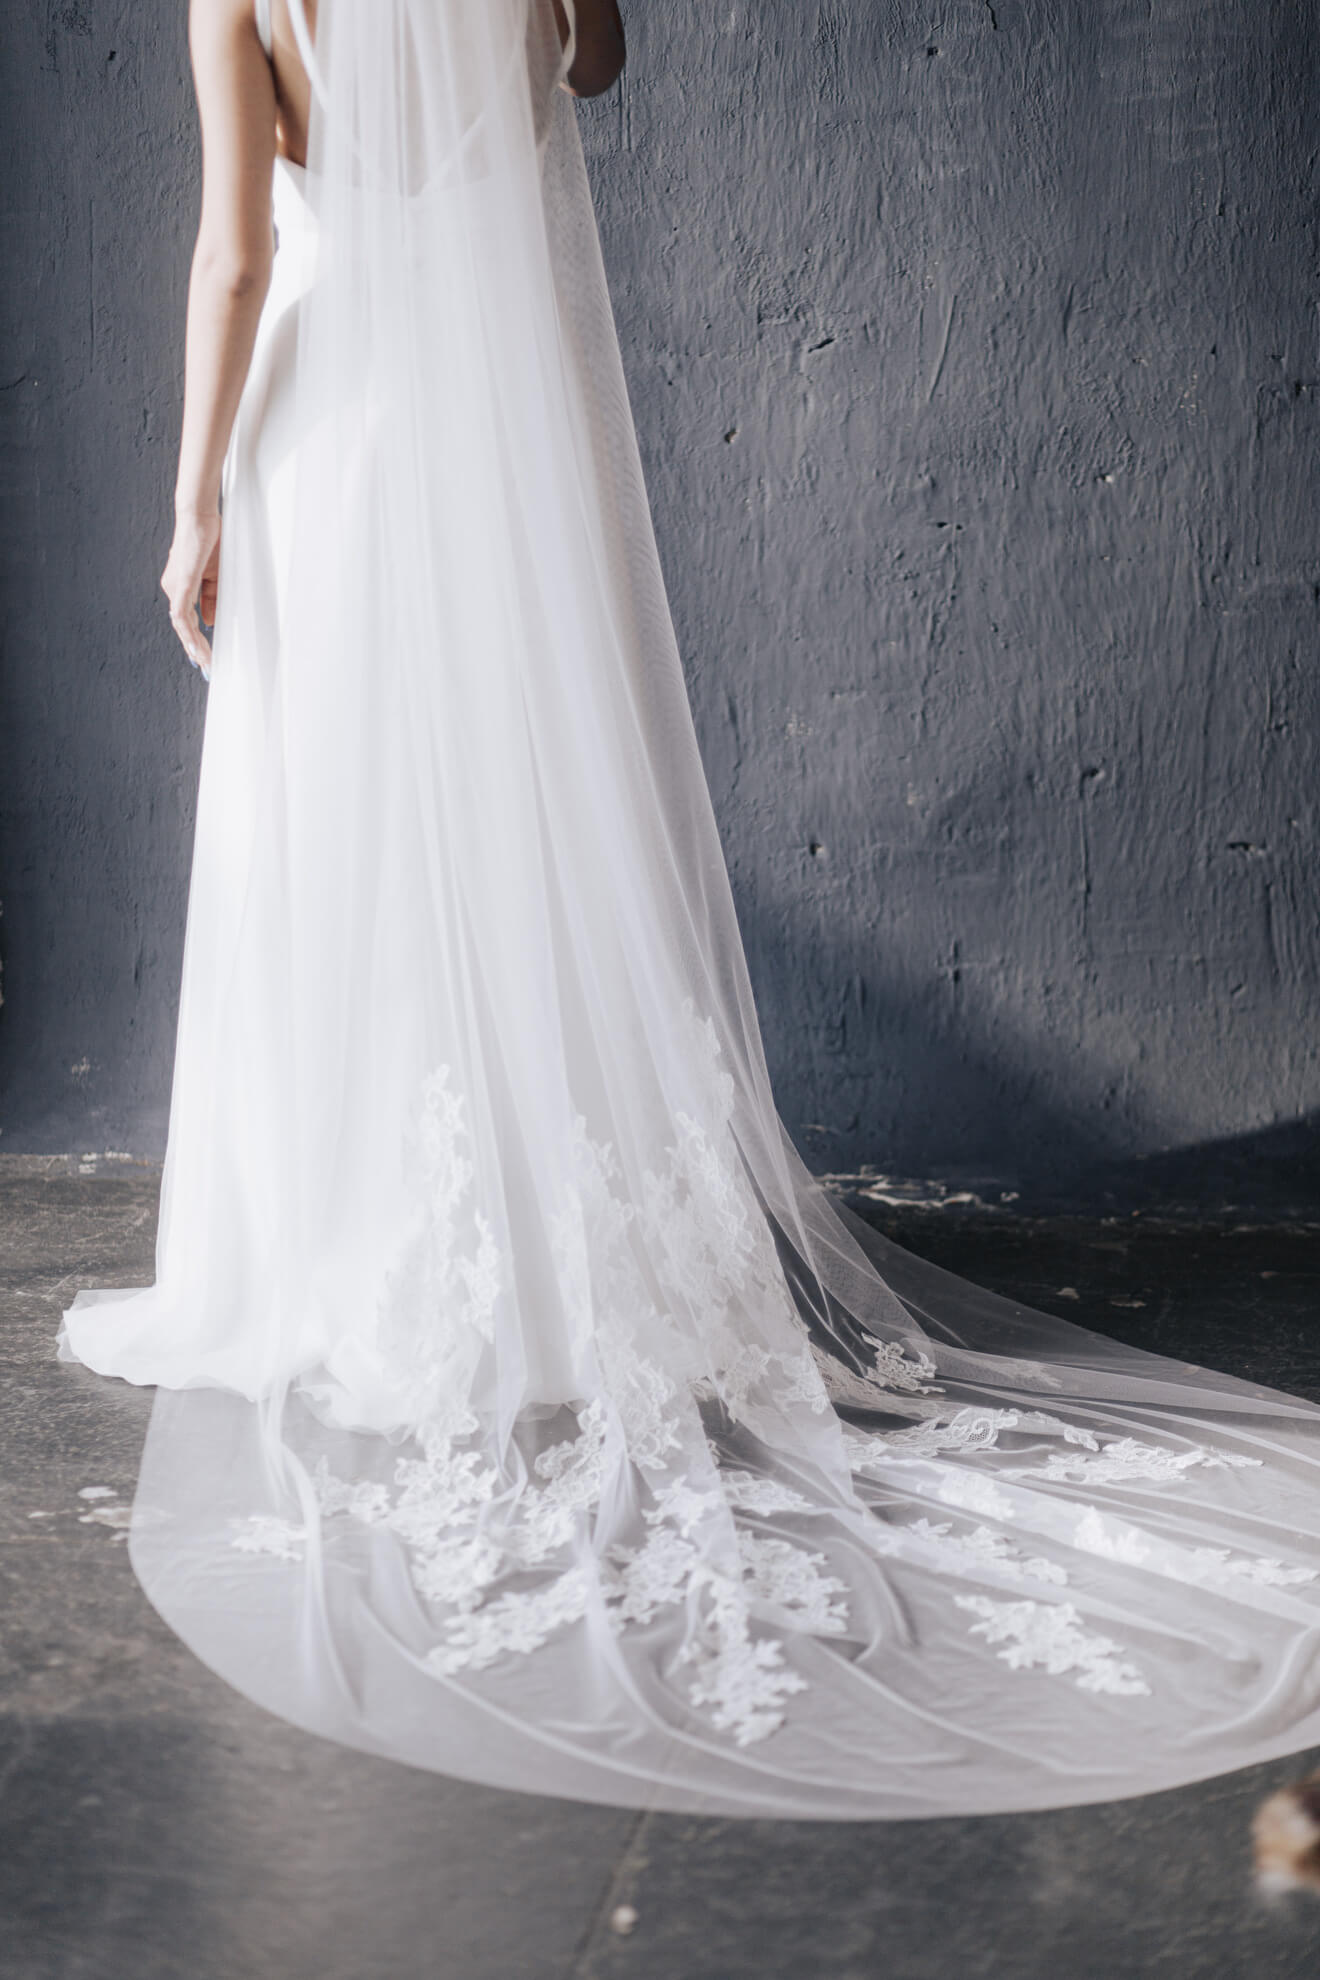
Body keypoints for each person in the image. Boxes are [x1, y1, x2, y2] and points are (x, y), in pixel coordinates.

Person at [61, 0, 1320, 1820]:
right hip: (496, 442)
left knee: (339, 835)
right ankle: (537, 1232)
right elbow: (593, 71)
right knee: (503, 827)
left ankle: (347, 1248)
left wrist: (192, 504)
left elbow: (236, 247)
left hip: (333, 435)